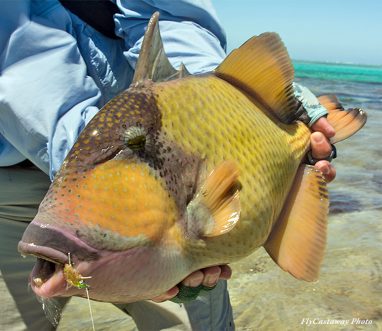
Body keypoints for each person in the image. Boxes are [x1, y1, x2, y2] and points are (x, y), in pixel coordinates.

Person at [0, 0, 336, 330]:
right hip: (19, 185)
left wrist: (212, 89)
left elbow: (174, 13)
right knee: (29, 320)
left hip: (148, 143)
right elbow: (16, 43)